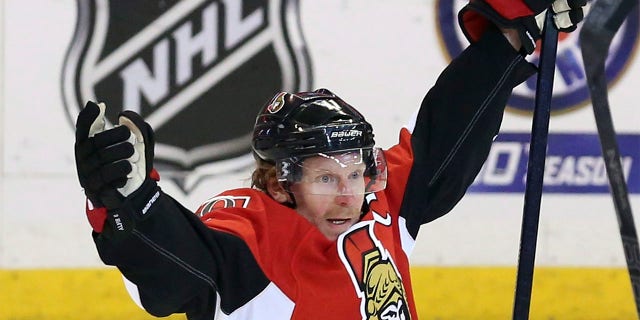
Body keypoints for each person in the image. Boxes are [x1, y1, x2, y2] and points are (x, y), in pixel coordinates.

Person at [73, 1, 585, 319]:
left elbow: (448, 132)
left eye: (355, 171)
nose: (348, 194)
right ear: (278, 184)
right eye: (324, 176)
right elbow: (178, 276)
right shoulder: (252, 239)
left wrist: (511, 36)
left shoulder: (376, 200)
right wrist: (131, 207)